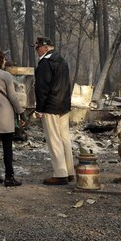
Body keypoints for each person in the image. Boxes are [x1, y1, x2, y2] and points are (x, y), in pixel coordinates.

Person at [33, 37, 75, 186]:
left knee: (54, 140)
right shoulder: (62, 61)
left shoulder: (45, 63)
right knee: (64, 138)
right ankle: (70, 172)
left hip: (50, 106)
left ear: (45, 48)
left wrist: (39, 109)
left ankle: (60, 174)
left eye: (37, 47)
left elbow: (42, 88)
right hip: (63, 105)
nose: (36, 50)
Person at [0, 50, 27, 187]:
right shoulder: (6, 75)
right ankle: (9, 177)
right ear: (0, 61)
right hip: (5, 116)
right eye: (4, 59)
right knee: (7, 148)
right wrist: (21, 112)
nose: (5, 61)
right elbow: (13, 97)